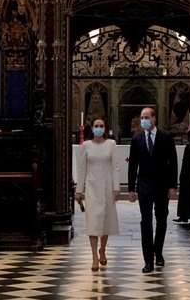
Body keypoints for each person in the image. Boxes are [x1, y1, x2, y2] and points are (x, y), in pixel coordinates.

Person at [128, 107, 178, 273]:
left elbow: (173, 162)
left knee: (162, 219)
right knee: (146, 221)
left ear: (154, 119)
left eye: (146, 117)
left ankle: (158, 251)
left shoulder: (166, 137)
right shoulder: (136, 139)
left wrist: (173, 186)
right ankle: (148, 260)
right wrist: (131, 189)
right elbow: (133, 165)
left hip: (162, 185)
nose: (144, 120)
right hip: (144, 186)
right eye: (142, 117)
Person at [74, 117, 122, 272]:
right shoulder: (86, 146)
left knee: (105, 222)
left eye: (101, 125)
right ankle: (94, 256)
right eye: (96, 126)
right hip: (92, 189)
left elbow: (115, 167)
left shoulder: (111, 144)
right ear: (92, 128)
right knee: (93, 223)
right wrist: (79, 190)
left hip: (107, 188)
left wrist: (116, 188)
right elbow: (81, 170)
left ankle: (103, 250)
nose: (99, 128)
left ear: (105, 128)